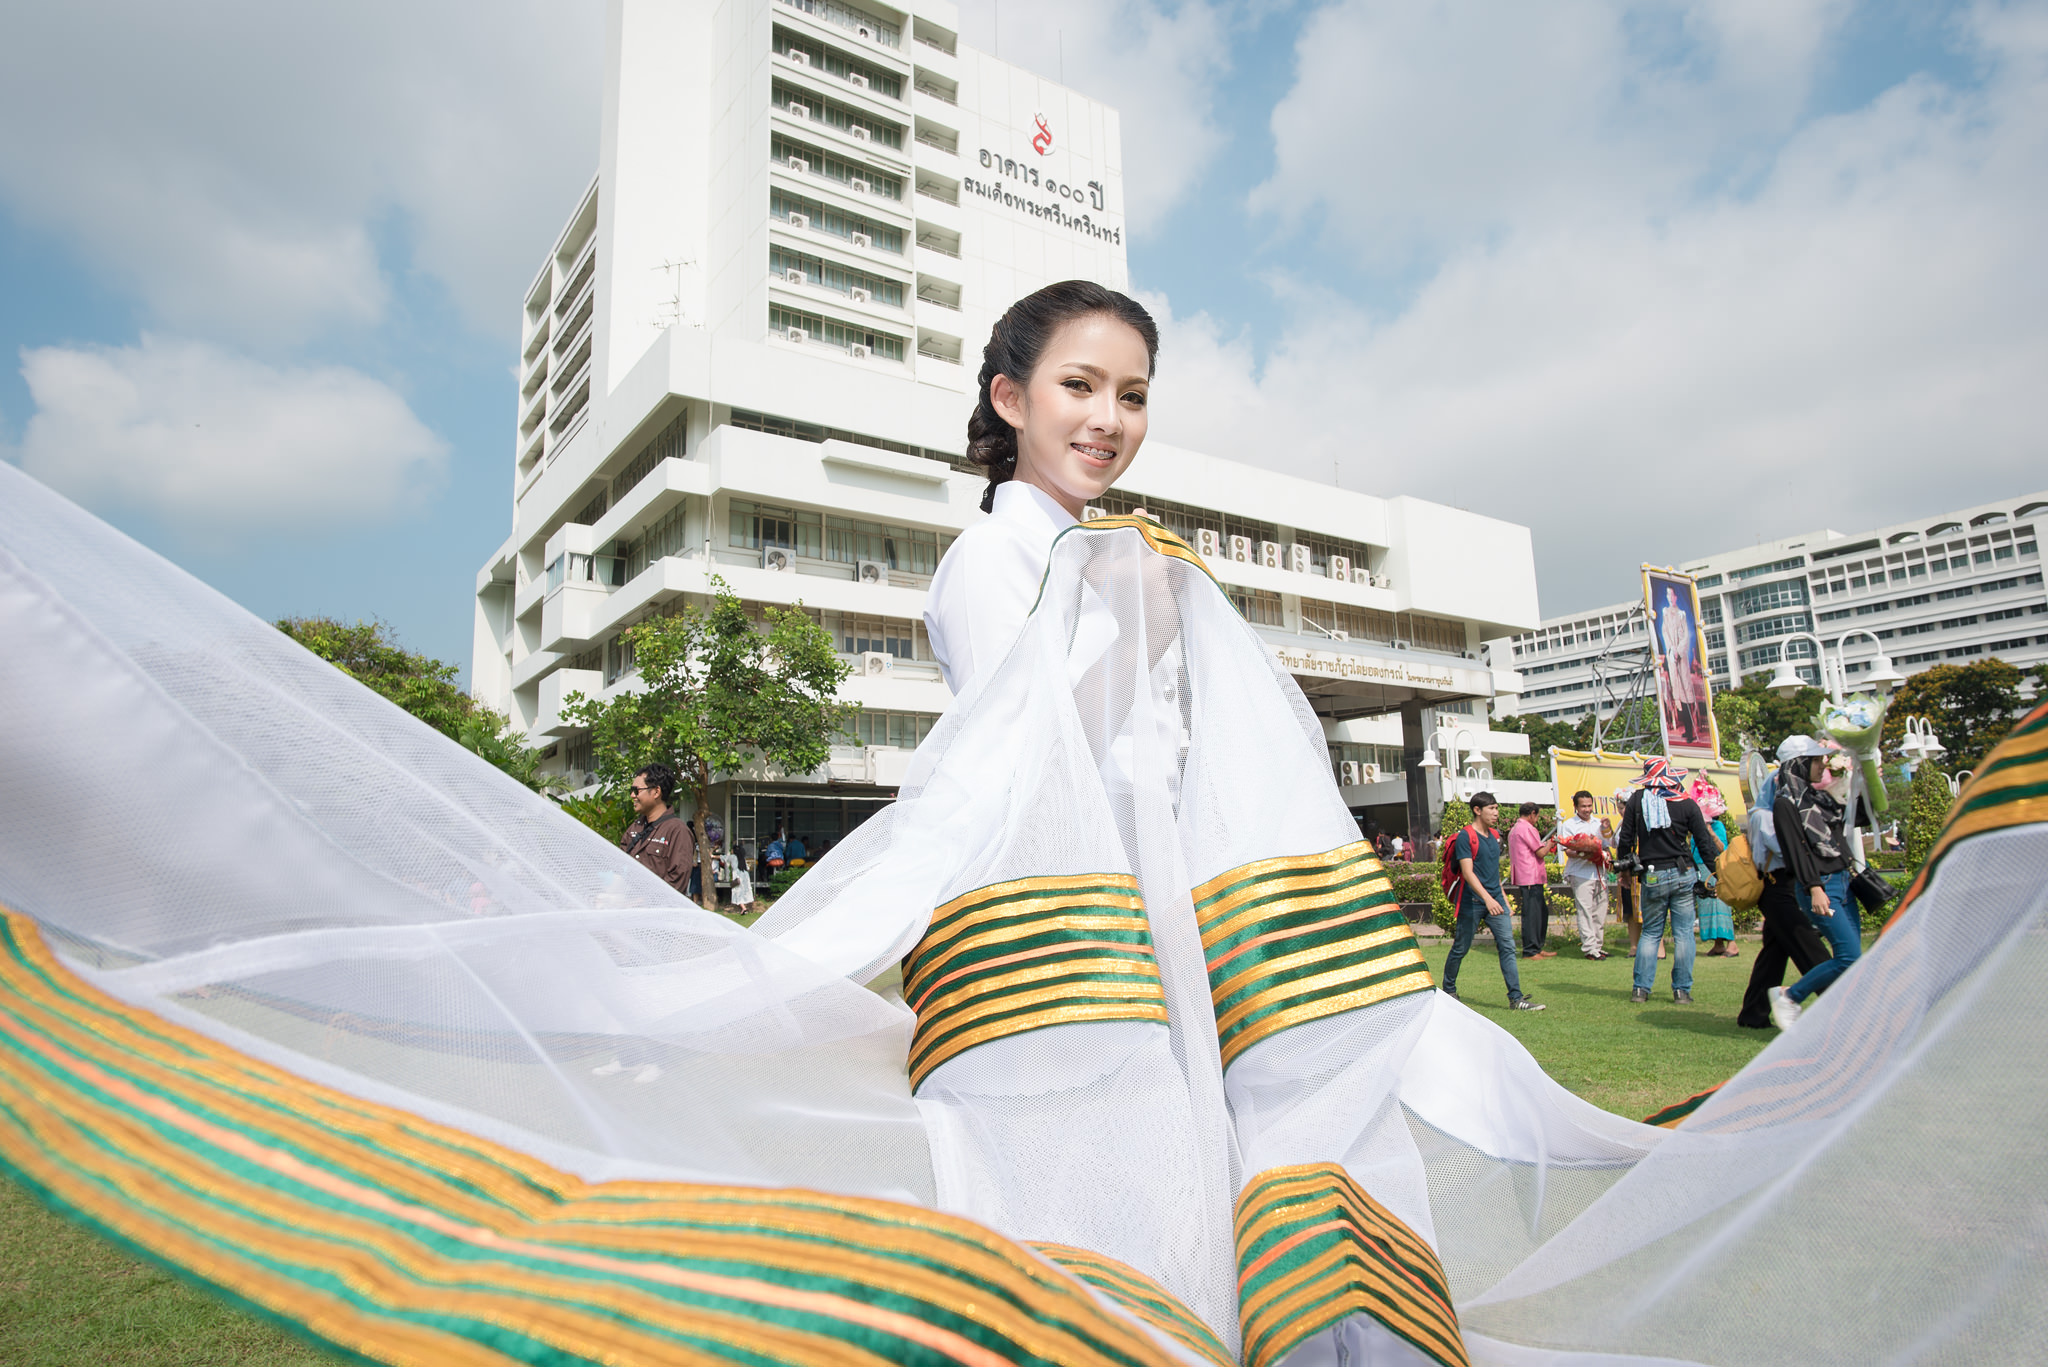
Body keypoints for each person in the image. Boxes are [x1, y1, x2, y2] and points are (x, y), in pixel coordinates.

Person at [1737, 736, 1834, 1028]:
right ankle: (1841, 1007)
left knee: (1775, 953)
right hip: (1778, 887)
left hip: (1784, 885)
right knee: (1810, 947)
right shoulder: (1766, 816)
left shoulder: (1775, 811)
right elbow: (1788, 849)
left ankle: (1753, 1013)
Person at [1767, 742, 1862, 1030]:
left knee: (1854, 962)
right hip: (1821, 886)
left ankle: (1844, 1020)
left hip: (1842, 883)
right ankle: (1790, 996)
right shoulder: (1785, 802)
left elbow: (1858, 818)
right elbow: (1796, 850)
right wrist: (1814, 887)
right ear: (1797, 763)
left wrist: (1865, 775)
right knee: (1849, 957)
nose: (1822, 766)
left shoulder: (1819, 798)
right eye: (1815, 760)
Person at [1615, 757, 1723, 1004]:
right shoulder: (1686, 803)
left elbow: (1626, 840)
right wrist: (1717, 872)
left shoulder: (1637, 801)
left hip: (1652, 874)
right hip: (1683, 873)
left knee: (1651, 933)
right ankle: (1681, 991)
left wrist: (1625, 872)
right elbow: (1704, 844)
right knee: (1684, 933)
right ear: (1671, 777)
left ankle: (1641, 989)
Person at [1443, 792, 1546, 1010]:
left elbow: (1493, 873)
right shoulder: (1465, 836)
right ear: (1477, 810)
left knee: (1508, 946)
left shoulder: (1495, 836)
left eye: (1497, 808)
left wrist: (1502, 900)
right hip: (1473, 901)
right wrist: (1488, 899)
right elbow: (1468, 873)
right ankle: (1448, 990)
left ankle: (1516, 999)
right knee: (1461, 947)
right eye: (1492, 809)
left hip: (1495, 901)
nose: (1496, 813)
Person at [619, 762, 694, 896]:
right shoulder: (635, 828)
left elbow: (677, 881)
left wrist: (643, 902)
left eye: (637, 790)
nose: (632, 795)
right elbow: (619, 866)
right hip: (630, 911)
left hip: (660, 913)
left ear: (656, 792)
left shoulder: (677, 831)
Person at [1554, 789, 1612, 959]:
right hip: (1580, 873)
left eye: (1589, 806)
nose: (1587, 809)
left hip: (1599, 873)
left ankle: (1598, 946)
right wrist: (1585, 852)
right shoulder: (1569, 825)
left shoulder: (1598, 824)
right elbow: (1568, 850)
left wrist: (1602, 852)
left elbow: (1608, 845)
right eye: (1583, 806)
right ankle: (1589, 948)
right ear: (1576, 807)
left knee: (1600, 911)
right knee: (1585, 910)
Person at [1687, 776, 1739, 957]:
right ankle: (1718, 945)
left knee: (1721, 904)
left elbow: (1721, 848)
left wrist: (1709, 831)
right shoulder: (1695, 827)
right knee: (1708, 905)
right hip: (1701, 869)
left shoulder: (1718, 826)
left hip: (1715, 867)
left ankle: (1732, 944)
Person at [1507, 801, 1555, 958]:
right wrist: (1550, 843)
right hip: (1530, 877)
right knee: (1532, 914)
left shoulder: (1514, 829)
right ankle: (1530, 949)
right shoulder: (1527, 828)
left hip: (1527, 876)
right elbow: (1541, 852)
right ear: (1532, 814)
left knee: (1540, 912)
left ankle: (1537, 946)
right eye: (1537, 815)